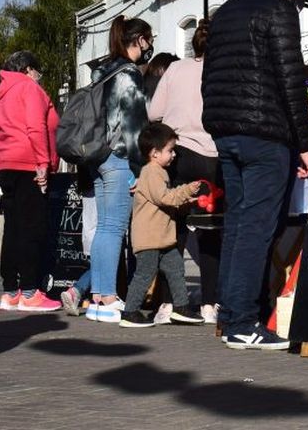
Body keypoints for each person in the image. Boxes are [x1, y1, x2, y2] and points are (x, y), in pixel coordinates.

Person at [201, 0, 308, 350]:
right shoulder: (279, 9)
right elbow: (291, 79)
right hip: (265, 133)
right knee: (257, 227)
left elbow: (208, 75)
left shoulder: (226, 11)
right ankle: (243, 322)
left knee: (238, 223)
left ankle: (231, 314)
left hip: (227, 130)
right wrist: (305, 143)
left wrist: (216, 123)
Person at [75, 16, 153, 323]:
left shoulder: (103, 73)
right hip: (119, 158)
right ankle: (106, 296)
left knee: (105, 228)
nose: (149, 46)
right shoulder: (129, 75)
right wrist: (138, 170)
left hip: (97, 157)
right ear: (138, 40)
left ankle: (98, 296)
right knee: (113, 228)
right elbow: (134, 128)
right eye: (148, 39)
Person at [148, 18, 224, 324]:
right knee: (210, 232)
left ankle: (168, 304)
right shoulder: (224, 70)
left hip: (179, 155)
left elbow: (154, 113)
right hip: (213, 155)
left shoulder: (176, 69)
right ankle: (209, 304)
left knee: (174, 232)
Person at [0, 50, 61, 312]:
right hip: (28, 163)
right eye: (38, 71)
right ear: (29, 69)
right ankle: (30, 292)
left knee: (13, 228)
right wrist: (43, 164)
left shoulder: (3, 92)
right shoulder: (28, 88)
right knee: (33, 228)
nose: (39, 76)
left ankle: (11, 291)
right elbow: (35, 126)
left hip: (6, 163)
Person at [119, 121, 205, 327]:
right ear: (154, 153)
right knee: (145, 274)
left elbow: (164, 203)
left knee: (176, 269)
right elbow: (164, 198)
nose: (173, 154)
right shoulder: (152, 172)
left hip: (163, 239)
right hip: (150, 239)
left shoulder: (159, 172)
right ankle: (130, 312)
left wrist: (186, 201)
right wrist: (186, 191)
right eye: (170, 150)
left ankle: (181, 307)